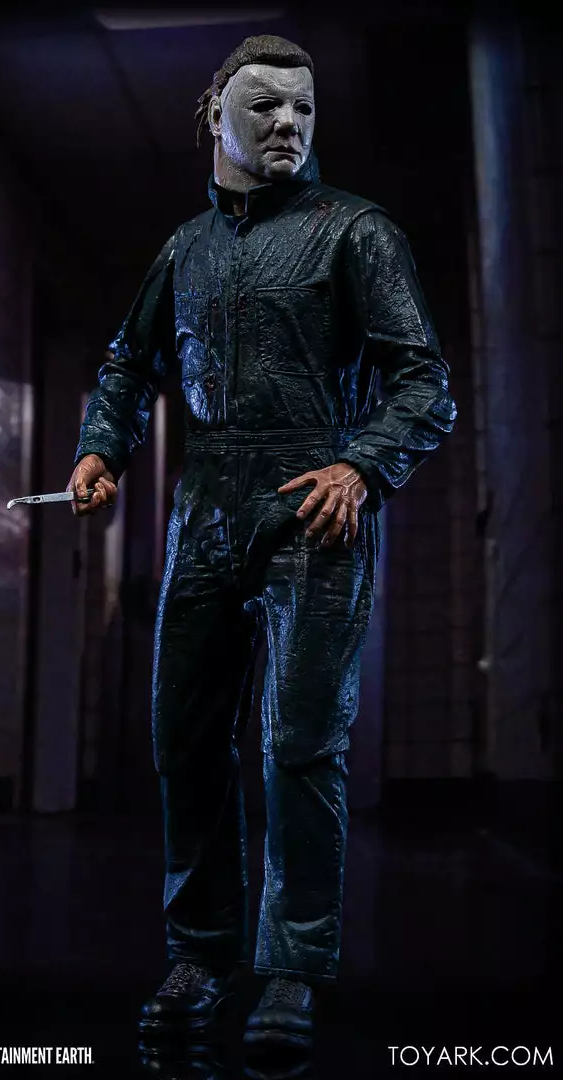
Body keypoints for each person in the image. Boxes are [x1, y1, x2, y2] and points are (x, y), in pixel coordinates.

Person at [67, 34, 456, 1055]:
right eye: (266, 106)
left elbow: (424, 383)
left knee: (300, 744)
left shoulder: (354, 232)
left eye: (303, 109)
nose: (288, 123)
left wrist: (360, 466)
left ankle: (291, 970)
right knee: (184, 739)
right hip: (204, 511)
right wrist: (102, 446)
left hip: (312, 513)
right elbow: (128, 362)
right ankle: (199, 954)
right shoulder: (185, 248)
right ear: (215, 117)